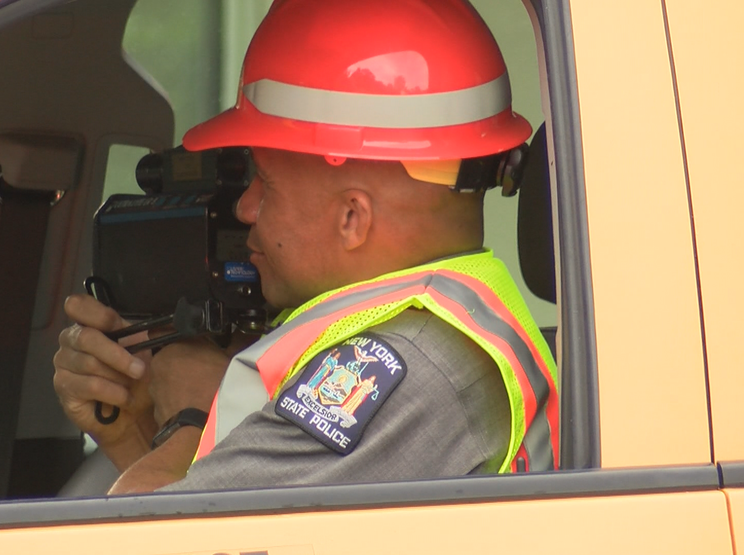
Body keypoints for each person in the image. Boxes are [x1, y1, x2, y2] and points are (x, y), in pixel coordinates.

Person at [53, 0, 558, 495]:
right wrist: (132, 429)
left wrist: (194, 411)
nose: (245, 208)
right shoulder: (437, 330)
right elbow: (195, 501)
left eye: (264, 183)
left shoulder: (397, 372)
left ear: (351, 218)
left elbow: (138, 541)